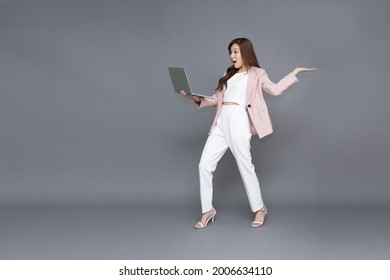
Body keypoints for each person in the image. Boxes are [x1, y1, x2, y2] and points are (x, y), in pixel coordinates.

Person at [180, 37, 316, 229]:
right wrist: (192, 96)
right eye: (230, 52)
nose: (232, 56)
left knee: (245, 166)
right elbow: (216, 99)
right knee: (204, 166)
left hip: (238, 121)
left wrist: (294, 73)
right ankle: (207, 210)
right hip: (221, 122)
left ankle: (260, 208)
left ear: (245, 52)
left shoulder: (257, 73)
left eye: (235, 52)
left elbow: (275, 90)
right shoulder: (228, 74)